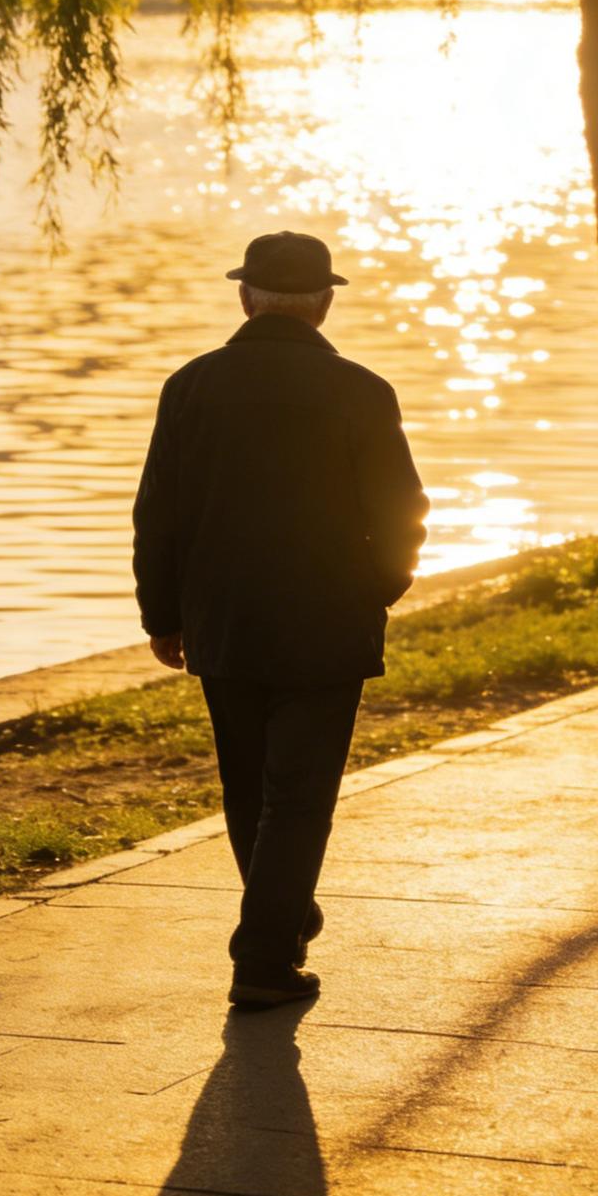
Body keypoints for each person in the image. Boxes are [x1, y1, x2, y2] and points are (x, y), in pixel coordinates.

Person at [132, 230, 428, 1008]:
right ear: (325, 304)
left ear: (244, 296)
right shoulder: (362, 389)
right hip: (329, 619)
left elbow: (158, 513)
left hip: (222, 618)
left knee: (248, 790)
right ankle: (266, 956)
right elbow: (402, 509)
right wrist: (380, 589)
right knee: (299, 798)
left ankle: (280, 918)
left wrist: (162, 613)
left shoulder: (191, 386)